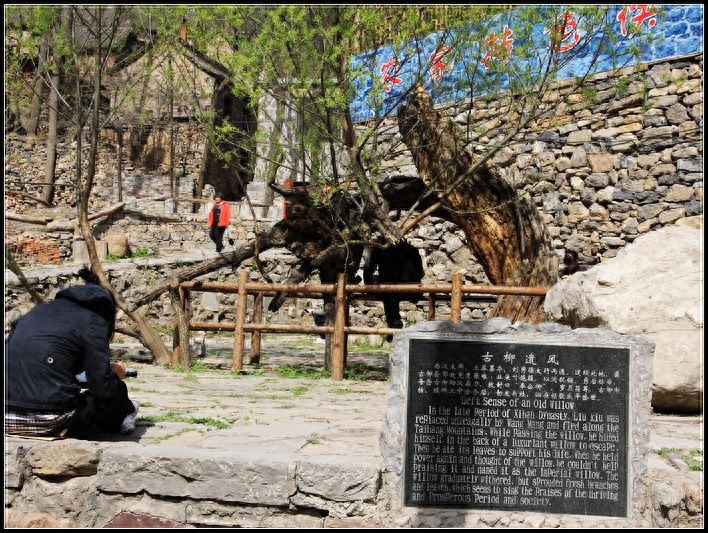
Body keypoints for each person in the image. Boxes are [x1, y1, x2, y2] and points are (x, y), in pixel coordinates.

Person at [5, 267, 139, 438]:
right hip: (51, 420)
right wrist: (115, 374)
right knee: (116, 391)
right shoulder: (94, 321)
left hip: (6, 417)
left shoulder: (35, 312)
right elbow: (103, 388)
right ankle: (123, 415)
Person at [363, 241, 424, 340]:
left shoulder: (380, 250)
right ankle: (394, 322)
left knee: (388, 294)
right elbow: (421, 273)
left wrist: (369, 288)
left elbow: (368, 270)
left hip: (391, 290)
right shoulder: (412, 250)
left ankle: (393, 323)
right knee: (389, 292)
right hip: (412, 290)